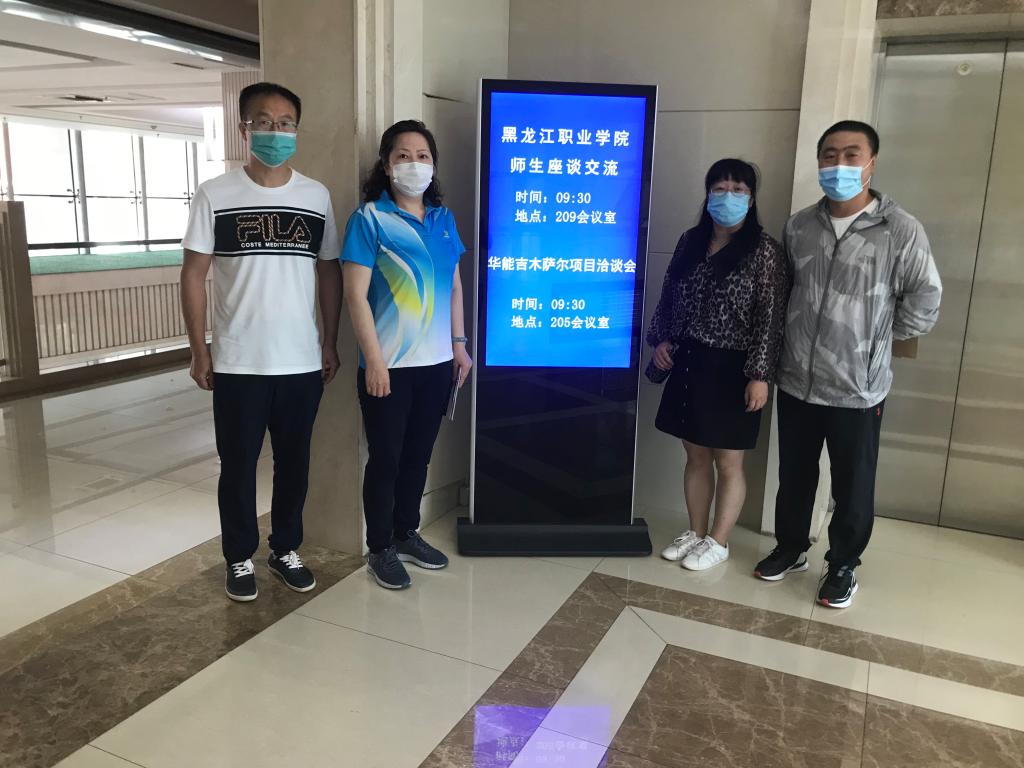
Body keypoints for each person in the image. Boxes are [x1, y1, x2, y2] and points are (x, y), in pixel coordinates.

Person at [755, 120, 941, 608]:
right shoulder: (799, 226)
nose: (839, 164)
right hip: (797, 379)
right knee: (795, 474)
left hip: (858, 388)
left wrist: (875, 341)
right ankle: (791, 547)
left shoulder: (899, 229)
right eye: (830, 155)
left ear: (871, 162)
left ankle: (842, 564)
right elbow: (784, 293)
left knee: (853, 484)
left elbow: (925, 297)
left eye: (851, 154)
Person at [180, 82, 342, 602]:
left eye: (286, 122)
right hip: (238, 361)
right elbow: (193, 273)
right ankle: (239, 556)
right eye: (265, 121)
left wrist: (329, 341)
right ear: (243, 128)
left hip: (300, 360)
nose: (276, 131)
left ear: (297, 129)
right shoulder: (216, 193)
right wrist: (199, 349)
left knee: (294, 463)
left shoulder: (315, 196)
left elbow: (329, 272)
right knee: (238, 465)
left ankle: (285, 548)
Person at [341, 119, 472, 590]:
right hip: (389, 368)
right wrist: (374, 361)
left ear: (433, 166)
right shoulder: (369, 220)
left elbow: (454, 288)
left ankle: (405, 531)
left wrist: (459, 346)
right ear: (386, 164)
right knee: (387, 460)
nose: (413, 164)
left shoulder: (443, 219)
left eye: (422, 156)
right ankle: (380, 548)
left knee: (418, 456)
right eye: (403, 155)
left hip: (436, 366)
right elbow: (355, 296)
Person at [647, 159, 789, 572]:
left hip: (735, 368)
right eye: (720, 188)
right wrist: (661, 341)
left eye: (738, 190)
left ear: (752, 199)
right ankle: (695, 531)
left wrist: (760, 374)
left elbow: (770, 318)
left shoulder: (765, 251)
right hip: (689, 359)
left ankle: (719, 540)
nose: (728, 197)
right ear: (708, 194)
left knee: (728, 461)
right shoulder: (690, 241)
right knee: (694, 454)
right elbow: (669, 296)